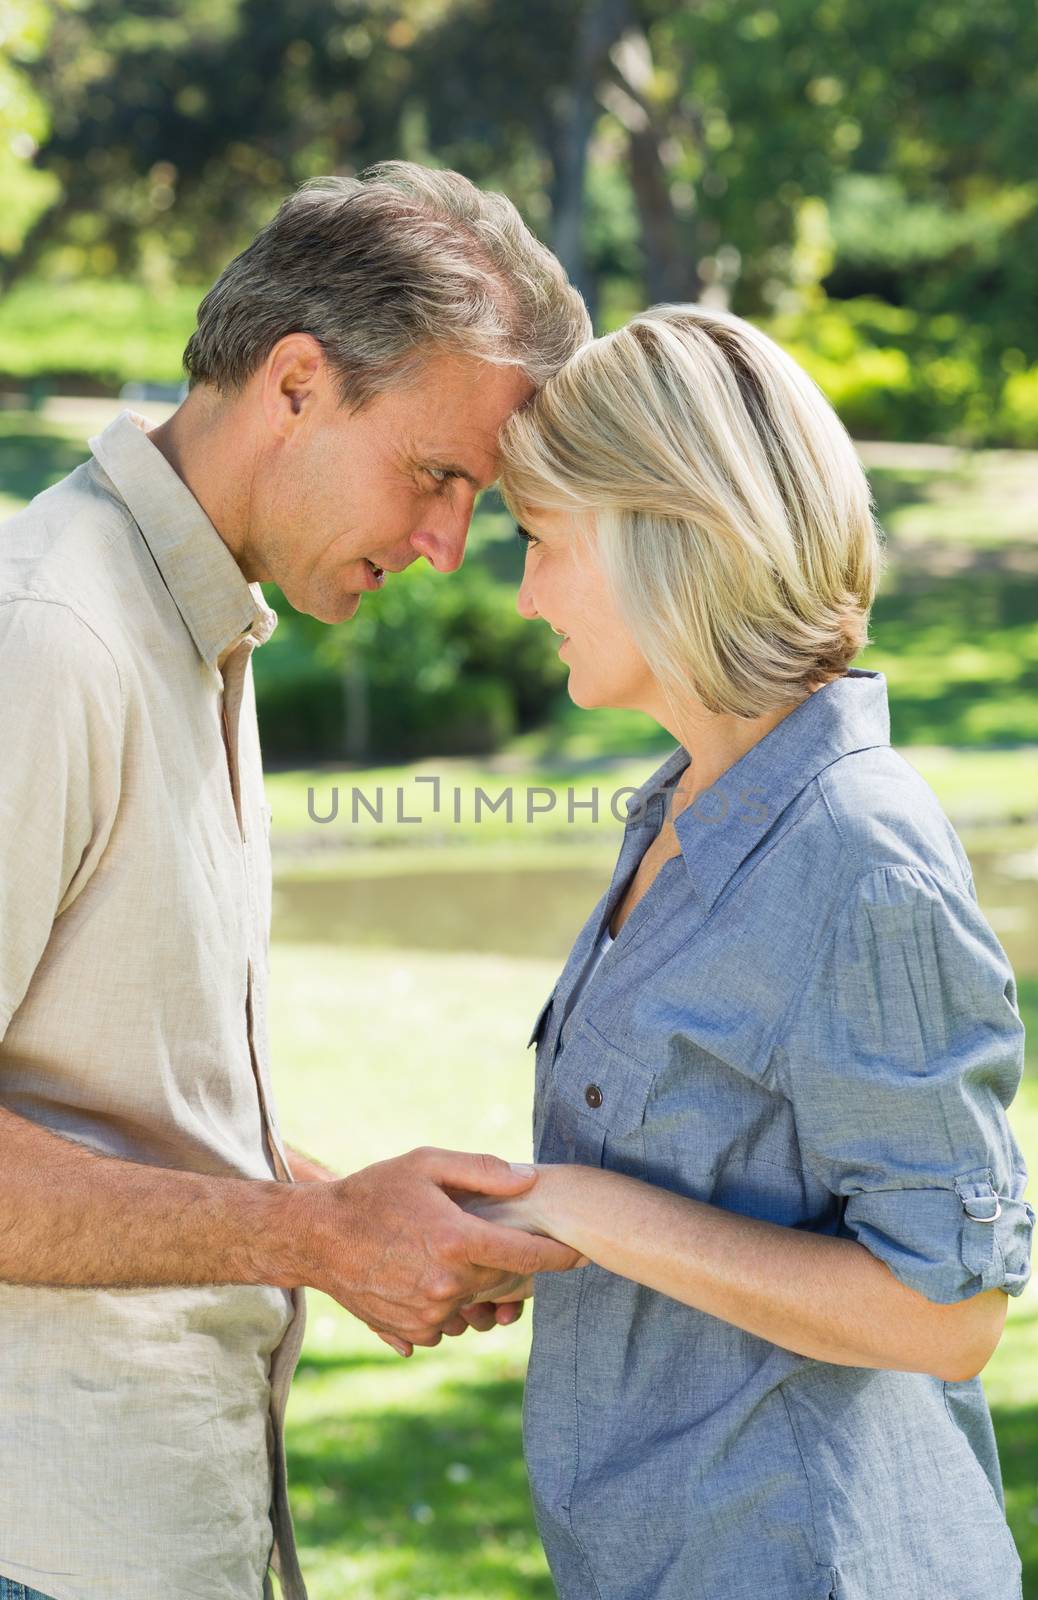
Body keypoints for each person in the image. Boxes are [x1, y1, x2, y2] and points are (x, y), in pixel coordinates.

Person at [0, 162, 591, 1600]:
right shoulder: (50, 643)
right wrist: (314, 1233)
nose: (450, 548)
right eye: (439, 475)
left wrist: (367, 1219)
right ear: (297, 384)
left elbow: (120, 1103)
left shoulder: (197, 620)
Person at [476, 305, 1035, 1599]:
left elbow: (945, 1314)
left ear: (659, 535)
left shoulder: (853, 851)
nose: (525, 593)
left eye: (541, 543)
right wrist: (517, 1219)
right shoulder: (687, 806)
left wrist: (580, 1208)